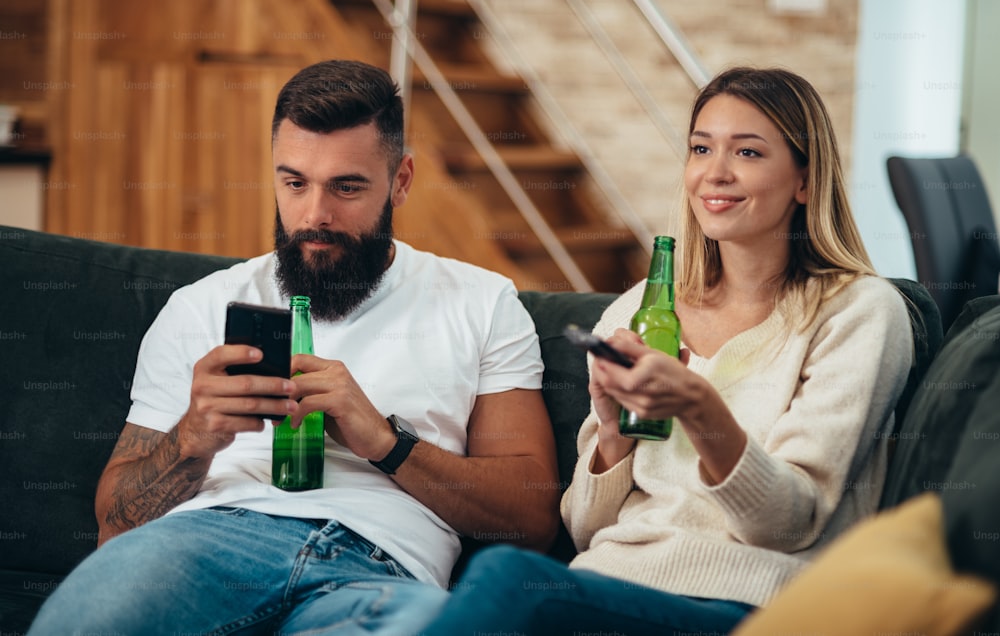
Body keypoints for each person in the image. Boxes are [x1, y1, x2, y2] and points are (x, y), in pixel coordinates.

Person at [28, 59, 560, 635]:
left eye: (347, 187)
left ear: (400, 180)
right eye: (294, 182)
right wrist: (192, 438)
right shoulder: (200, 305)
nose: (315, 216)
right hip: (207, 540)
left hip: (379, 568)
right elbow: (116, 526)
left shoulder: (481, 301)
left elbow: (530, 519)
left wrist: (385, 441)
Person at [414, 66, 914, 635]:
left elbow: (788, 522)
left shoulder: (858, 313)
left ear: (805, 179)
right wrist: (612, 429)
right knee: (502, 580)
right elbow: (582, 530)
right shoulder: (639, 309)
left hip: (749, 603)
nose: (715, 174)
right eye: (701, 148)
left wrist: (700, 409)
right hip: (612, 583)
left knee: (503, 576)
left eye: (748, 153)